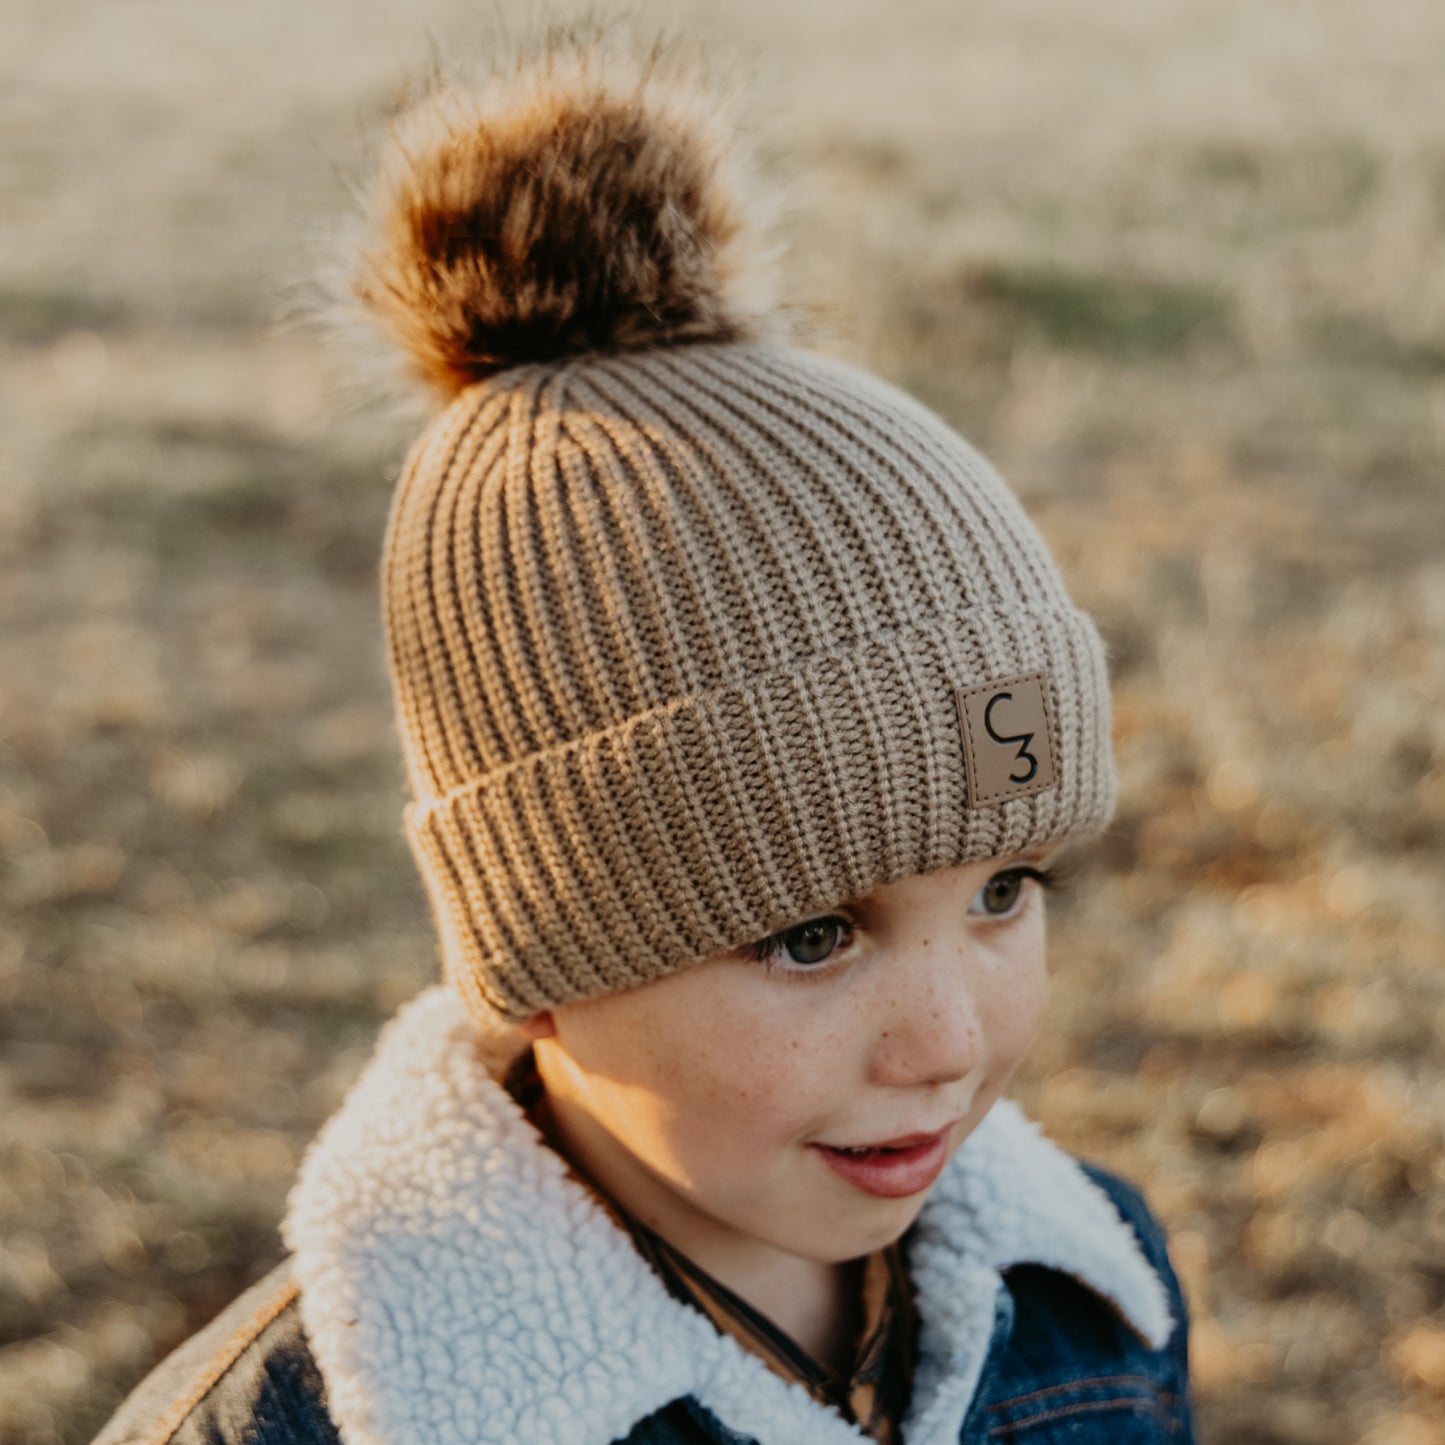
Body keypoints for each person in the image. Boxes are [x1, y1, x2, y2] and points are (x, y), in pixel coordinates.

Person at [96, 24, 1195, 1445]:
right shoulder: (317, 1424)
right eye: (811, 932)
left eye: (1001, 890)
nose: (946, 1041)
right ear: (537, 948)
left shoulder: (1085, 1297)